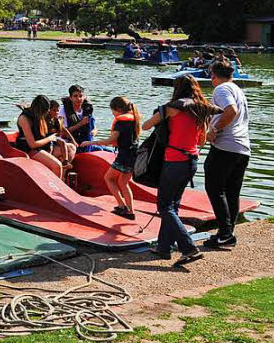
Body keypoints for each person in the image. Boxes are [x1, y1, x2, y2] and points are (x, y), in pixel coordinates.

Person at [141, 75, 221, 267]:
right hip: (191, 161)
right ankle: (163, 247)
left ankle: (188, 247)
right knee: (173, 205)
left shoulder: (173, 108)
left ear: (177, 89)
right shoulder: (202, 110)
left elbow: (145, 126)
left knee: (164, 206)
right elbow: (201, 141)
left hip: (174, 160)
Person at [204, 60, 251, 248]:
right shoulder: (237, 89)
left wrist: (213, 129)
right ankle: (227, 233)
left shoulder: (221, 89)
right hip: (242, 148)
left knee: (214, 188)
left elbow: (231, 111)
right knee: (232, 191)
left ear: (213, 75)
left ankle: (225, 232)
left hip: (226, 147)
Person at [81, 96, 140, 219]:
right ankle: (130, 212)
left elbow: (111, 140)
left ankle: (122, 206)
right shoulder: (134, 119)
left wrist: (90, 143)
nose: (112, 114)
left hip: (124, 157)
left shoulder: (121, 121)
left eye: (112, 111)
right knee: (123, 182)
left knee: (109, 178)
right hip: (134, 155)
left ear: (117, 109)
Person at [14, 95, 64, 177]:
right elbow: (32, 144)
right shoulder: (24, 119)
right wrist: (50, 138)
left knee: (68, 150)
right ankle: (55, 188)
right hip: (28, 149)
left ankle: (60, 180)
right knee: (57, 166)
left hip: (41, 146)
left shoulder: (36, 111)